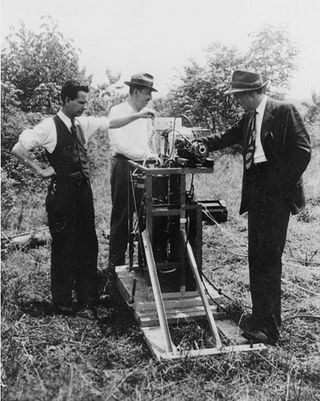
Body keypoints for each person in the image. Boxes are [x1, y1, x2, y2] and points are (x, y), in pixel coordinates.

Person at [11, 79, 155, 317]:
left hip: (83, 192)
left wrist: (138, 117)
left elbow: (111, 123)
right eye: (80, 102)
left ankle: (88, 298)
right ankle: (63, 303)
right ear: (66, 100)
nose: (84, 106)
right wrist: (41, 170)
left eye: (86, 102)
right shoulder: (48, 127)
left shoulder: (82, 123)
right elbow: (19, 148)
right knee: (64, 247)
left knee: (88, 244)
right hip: (62, 195)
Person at [203, 70, 311, 344]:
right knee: (256, 257)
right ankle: (259, 317)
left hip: (276, 196)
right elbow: (226, 137)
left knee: (269, 261)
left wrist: (277, 184)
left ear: (251, 94)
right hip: (258, 195)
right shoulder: (249, 117)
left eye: (238, 97)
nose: (237, 102)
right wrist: (197, 143)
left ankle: (270, 328)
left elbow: (302, 151)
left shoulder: (284, 110)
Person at [107, 72, 158, 284]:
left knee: (147, 217)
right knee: (122, 217)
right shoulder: (117, 112)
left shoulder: (146, 114)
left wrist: (154, 157)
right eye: (147, 93)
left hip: (145, 168)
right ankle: (115, 267)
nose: (149, 98)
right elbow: (120, 144)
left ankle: (147, 268)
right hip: (124, 167)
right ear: (135, 91)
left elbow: (149, 142)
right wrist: (147, 156)